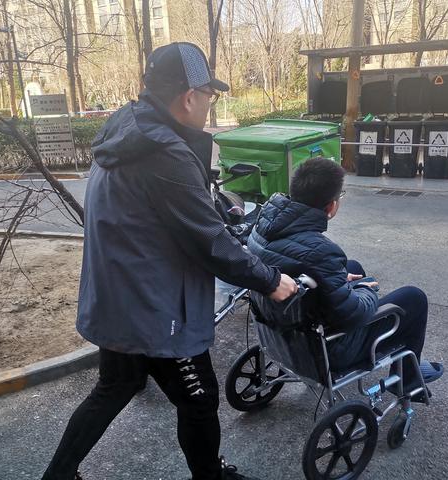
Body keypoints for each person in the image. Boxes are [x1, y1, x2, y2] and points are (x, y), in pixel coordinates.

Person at [41, 42, 298, 480]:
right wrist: (271, 280)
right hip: (154, 309)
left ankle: (58, 475)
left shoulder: (126, 129)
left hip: (117, 296)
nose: (210, 105)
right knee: (199, 399)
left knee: (116, 386)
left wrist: (211, 205)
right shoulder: (163, 151)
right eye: (209, 95)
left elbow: (161, 209)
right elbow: (210, 243)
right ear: (189, 97)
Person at [247, 157, 443, 399]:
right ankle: (408, 381)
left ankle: (405, 371)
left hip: (278, 331)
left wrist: (340, 278)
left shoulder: (262, 226)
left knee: (352, 266)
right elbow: (354, 315)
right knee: (414, 298)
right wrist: (365, 289)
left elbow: (301, 265)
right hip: (327, 349)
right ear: (331, 206)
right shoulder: (322, 251)